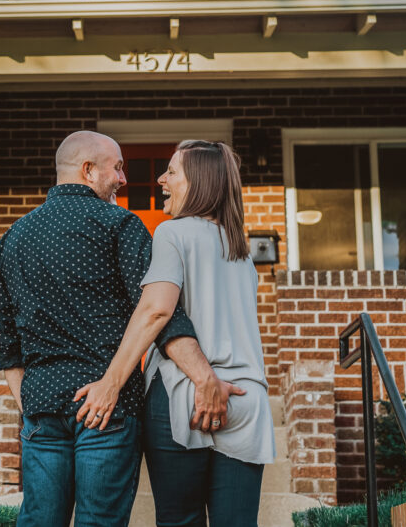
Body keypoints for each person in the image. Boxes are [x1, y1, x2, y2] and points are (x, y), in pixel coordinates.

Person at [0, 131, 243, 527]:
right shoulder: (119, 225)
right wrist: (204, 377)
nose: (124, 179)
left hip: (41, 403)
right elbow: (160, 314)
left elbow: (7, 345)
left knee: (39, 520)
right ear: (88, 171)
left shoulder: (11, 240)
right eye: (118, 167)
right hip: (107, 408)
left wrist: (31, 405)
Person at [74, 140, 275, 527]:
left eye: (172, 172)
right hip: (246, 399)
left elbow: (156, 310)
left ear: (198, 182)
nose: (161, 179)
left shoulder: (172, 233)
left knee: (179, 521)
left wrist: (111, 382)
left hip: (182, 396)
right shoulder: (242, 252)